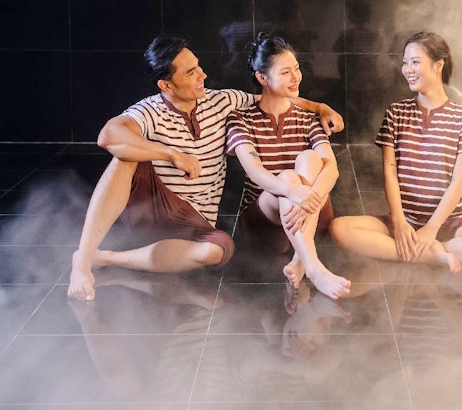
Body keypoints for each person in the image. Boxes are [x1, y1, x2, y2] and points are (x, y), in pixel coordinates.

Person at [67, 36, 342, 301]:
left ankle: (107, 257)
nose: (203, 75)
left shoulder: (222, 102)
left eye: (198, 66)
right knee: (123, 157)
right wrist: (170, 153)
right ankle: (83, 259)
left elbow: (275, 97)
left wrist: (322, 108)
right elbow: (109, 135)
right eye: (190, 73)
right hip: (154, 206)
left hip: (197, 218)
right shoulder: (149, 110)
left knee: (217, 250)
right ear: (167, 85)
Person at [329, 32, 462, 271]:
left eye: (415, 62)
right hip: (406, 219)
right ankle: (433, 256)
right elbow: (389, 172)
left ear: (438, 65)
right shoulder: (396, 113)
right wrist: (400, 222)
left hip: (451, 222)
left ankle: (415, 248)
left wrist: (431, 228)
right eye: (405, 62)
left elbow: (458, 182)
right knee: (339, 229)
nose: (407, 69)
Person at [226, 34, 352, 299]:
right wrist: (293, 191)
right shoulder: (240, 119)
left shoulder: (309, 117)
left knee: (310, 158)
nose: (296, 77)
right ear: (262, 78)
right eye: (285, 72)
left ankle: (302, 258)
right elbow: (255, 172)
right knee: (288, 177)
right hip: (265, 222)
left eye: (296, 68)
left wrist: (307, 196)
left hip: (310, 211)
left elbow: (332, 169)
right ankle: (315, 268)